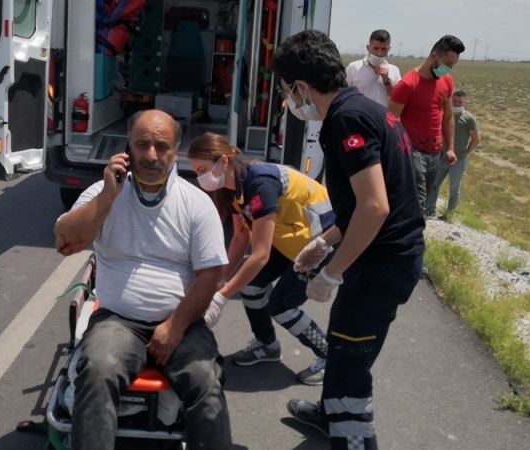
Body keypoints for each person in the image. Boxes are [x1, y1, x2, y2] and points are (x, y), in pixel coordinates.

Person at [271, 30, 425, 449]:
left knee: (352, 360)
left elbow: (375, 208)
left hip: (383, 263)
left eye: (287, 89)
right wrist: (326, 240)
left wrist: (332, 273)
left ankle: (352, 434)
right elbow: (370, 201)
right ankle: (328, 412)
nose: (290, 99)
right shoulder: (359, 110)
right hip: (384, 257)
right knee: (343, 341)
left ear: (300, 85)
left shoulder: (345, 118)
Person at [54, 110, 232, 450]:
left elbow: (211, 274)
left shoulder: (196, 203)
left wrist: (176, 326)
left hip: (181, 321)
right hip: (118, 320)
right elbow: (65, 240)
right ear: (127, 149)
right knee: (98, 371)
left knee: (206, 382)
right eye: (142, 145)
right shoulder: (102, 193)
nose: (151, 155)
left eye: (161, 146)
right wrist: (108, 197)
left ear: (175, 150)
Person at [187, 132, 335, 386]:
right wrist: (220, 280)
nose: (201, 178)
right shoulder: (233, 187)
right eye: (196, 171)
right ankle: (267, 345)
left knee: (282, 306)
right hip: (289, 236)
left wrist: (220, 298)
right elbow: (240, 239)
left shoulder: (260, 183)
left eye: (202, 169)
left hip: (319, 242)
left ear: (224, 161)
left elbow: (260, 255)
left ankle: (330, 358)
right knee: (252, 287)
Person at [389, 34, 465, 216]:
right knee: (418, 201)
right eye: (447, 63)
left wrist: (450, 149)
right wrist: (403, 150)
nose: (449, 69)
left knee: (423, 198)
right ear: (433, 56)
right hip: (412, 151)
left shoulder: (446, 81)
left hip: (435, 152)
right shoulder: (407, 84)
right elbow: (392, 120)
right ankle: (414, 240)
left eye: (453, 65)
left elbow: (447, 117)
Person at [426, 90, 480, 217]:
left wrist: (466, 153)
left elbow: (476, 139)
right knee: (434, 183)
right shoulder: (445, 115)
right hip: (441, 156)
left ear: (465, 102)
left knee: (454, 188)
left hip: (459, 159)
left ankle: (449, 214)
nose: (457, 103)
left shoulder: (469, 119)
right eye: (454, 101)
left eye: (460, 102)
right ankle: (429, 209)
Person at [345, 29, 401, 107]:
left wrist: (387, 81)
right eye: (376, 48)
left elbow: (397, 99)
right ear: (368, 47)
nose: (379, 53)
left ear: (389, 49)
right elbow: (342, 94)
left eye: (383, 49)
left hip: (382, 117)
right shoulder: (353, 67)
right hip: (359, 117)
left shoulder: (394, 70)